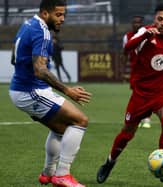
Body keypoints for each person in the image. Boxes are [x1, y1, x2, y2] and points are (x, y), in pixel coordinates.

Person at [97, 3, 163, 184]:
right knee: (127, 133)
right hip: (141, 94)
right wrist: (145, 35)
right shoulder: (145, 33)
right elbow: (127, 48)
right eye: (160, 19)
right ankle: (110, 162)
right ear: (155, 20)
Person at [9, 0, 91, 187]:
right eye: (58, 15)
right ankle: (62, 175)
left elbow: (14, 56)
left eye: (64, 15)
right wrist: (68, 90)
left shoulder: (28, 24)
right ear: (45, 13)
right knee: (80, 120)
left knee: (61, 128)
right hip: (30, 90)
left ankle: (48, 173)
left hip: (23, 88)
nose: (62, 19)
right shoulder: (42, 32)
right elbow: (40, 70)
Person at [122, 15, 152, 129]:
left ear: (142, 24)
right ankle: (138, 118)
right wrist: (123, 70)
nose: (136, 25)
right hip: (135, 71)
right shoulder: (127, 37)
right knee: (136, 95)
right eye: (134, 22)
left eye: (138, 23)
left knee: (147, 95)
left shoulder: (148, 35)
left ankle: (147, 119)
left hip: (147, 70)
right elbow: (125, 53)